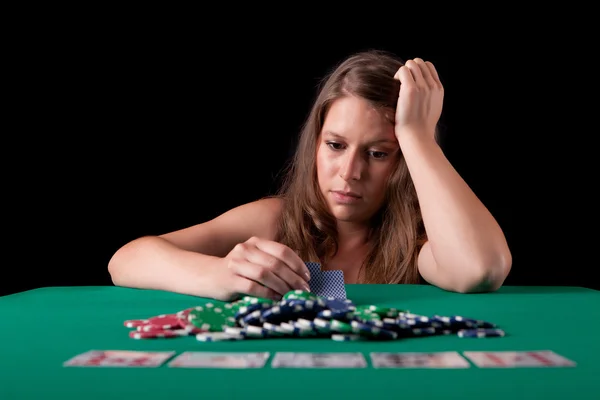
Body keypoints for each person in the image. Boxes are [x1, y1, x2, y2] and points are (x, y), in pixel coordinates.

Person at [108, 50, 512, 302]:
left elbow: (481, 270)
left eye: (377, 153)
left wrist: (418, 136)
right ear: (315, 145)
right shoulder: (273, 220)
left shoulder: (424, 244)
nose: (350, 173)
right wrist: (220, 275)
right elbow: (125, 260)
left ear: (404, 162)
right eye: (336, 146)